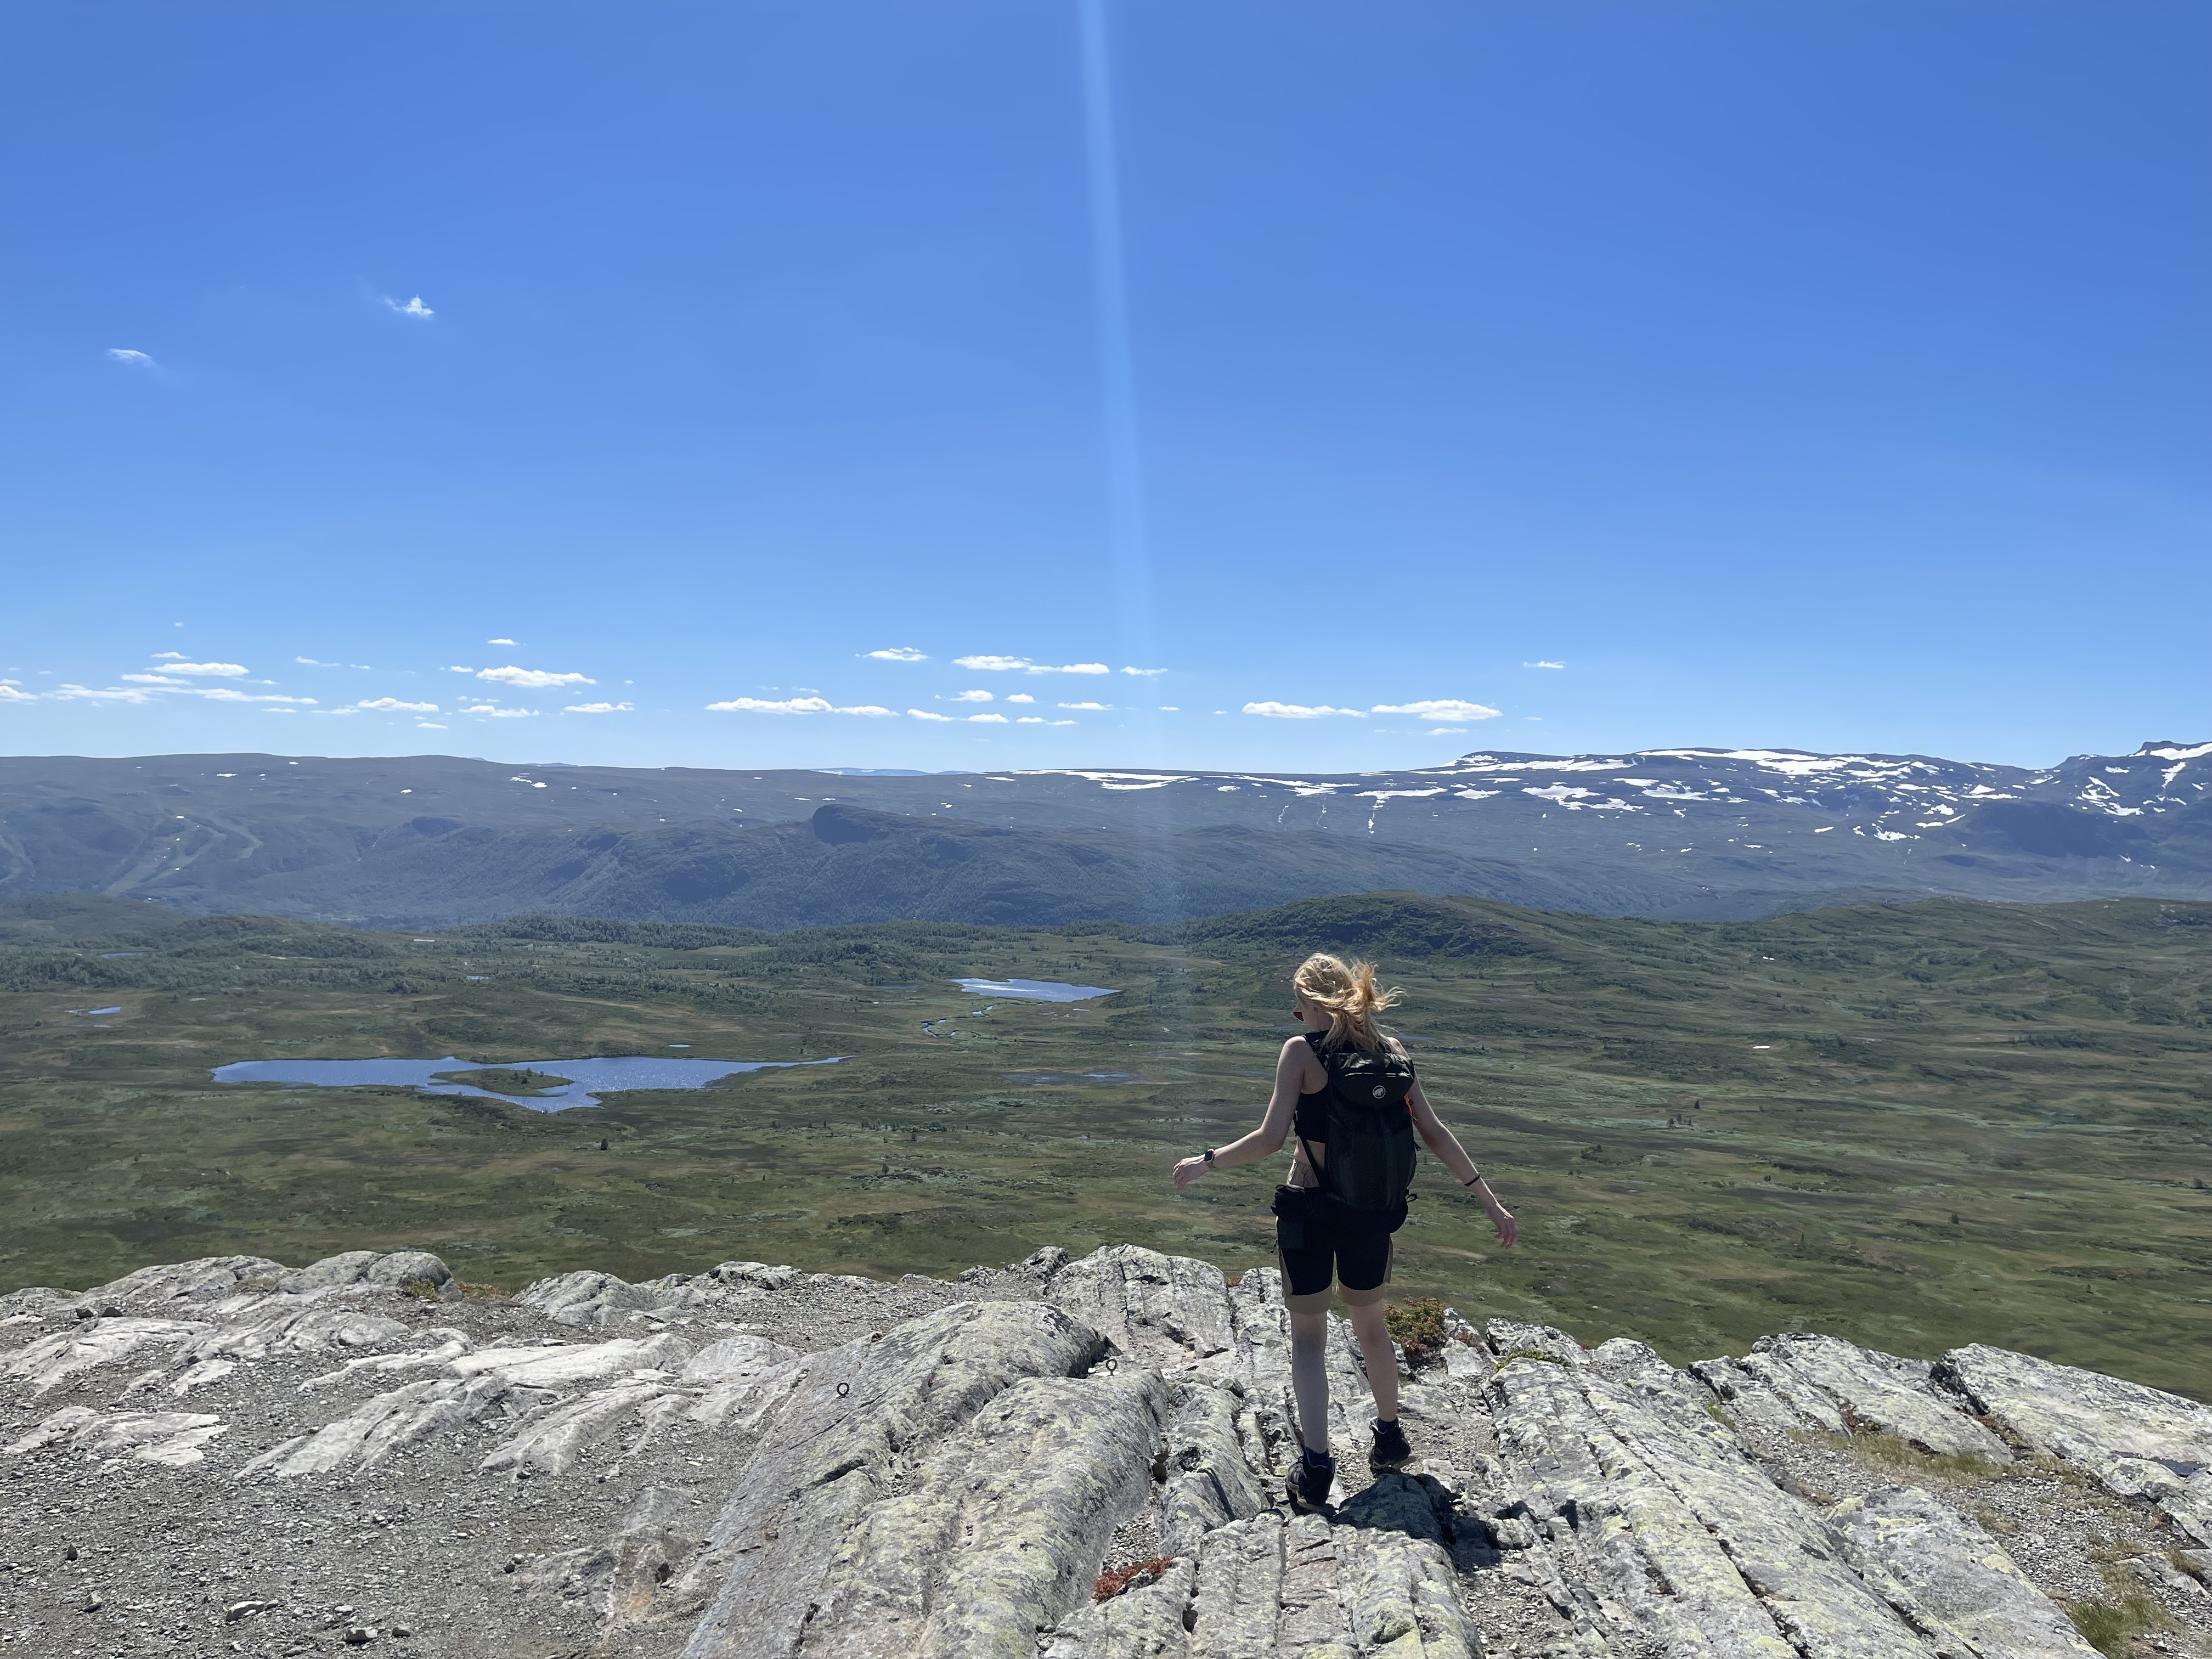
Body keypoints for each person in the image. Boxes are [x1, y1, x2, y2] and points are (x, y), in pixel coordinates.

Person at [1171, 952, 1517, 1508]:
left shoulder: (1300, 1054)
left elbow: (1268, 1139)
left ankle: (1316, 1469)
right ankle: (1389, 1436)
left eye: (1299, 1004)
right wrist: (1490, 1201)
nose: (1297, 1013)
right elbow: (1433, 1132)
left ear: (1313, 1002)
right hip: (1370, 1216)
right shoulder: (1393, 1055)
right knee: (1372, 1327)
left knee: (1310, 1339)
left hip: (1309, 1209)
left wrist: (1206, 1161)